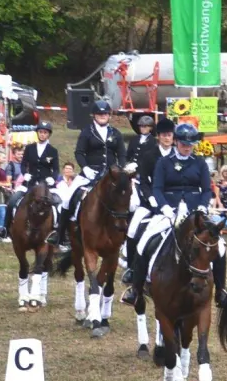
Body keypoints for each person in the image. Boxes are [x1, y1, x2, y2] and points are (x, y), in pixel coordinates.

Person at [124, 125, 215, 305]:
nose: (187, 147)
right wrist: (164, 207)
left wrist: (203, 207)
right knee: (144, 242)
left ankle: (220, 289)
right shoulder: (163, 163)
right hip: (168, 209)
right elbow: (157, 188)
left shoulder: (200, 162)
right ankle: (136, 288)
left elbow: (206, 189)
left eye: (190, 144)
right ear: (176, 142)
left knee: (216, 245)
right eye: (183, 144)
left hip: (194, 211)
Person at [57, 100, 124, 251]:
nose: (102, 116)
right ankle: (61, 235)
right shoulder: (87, 132)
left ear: (109, 115)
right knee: (67, 198)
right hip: (90, 172)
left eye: (105, 113)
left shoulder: (116, 133)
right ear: (94, 115)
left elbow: (121, 154)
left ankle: (125, 237)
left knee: (126, 199)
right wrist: (85, 167)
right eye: (100, 114)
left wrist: (119, 170)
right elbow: (79, 152)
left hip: (111, 174)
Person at [122, 118, 177, 298]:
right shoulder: (149, 155)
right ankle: (131, 269)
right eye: (164, 135)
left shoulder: (178, 155)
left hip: (173, 203)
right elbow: (144, 181)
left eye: (170, 135)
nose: (167, 138)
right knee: (132, 230)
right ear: (159, 137)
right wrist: (151, 198)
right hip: (151, 201)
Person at [0, 122, 63, 242]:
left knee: (59, 204)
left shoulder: (52, 150)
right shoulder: (29, 148)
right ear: (37, 133)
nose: (42, 135)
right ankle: (5, 229)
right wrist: (25, 174)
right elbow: (23, 164)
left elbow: (56, 169)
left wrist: (53, 178)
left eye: (45, 133)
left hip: (46, 184)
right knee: (12, 201)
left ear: (48, 134)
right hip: (31, 182)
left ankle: (58, 232)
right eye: (40, 132)